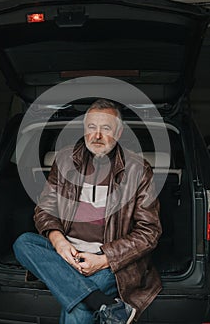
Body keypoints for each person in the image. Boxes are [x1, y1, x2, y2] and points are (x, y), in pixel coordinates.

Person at [13, 98, 162, 324]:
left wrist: (103, 260)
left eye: (106, 128)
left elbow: (149, 232)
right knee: (24, 243)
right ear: (84, 129)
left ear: (119, 132)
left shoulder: (138, 169)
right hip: (66, 252)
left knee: (79, 308)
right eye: (91, 127)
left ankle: (92, 299)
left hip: (111, 260)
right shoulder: (64, 160)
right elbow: (45, 210)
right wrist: (59, 242)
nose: (97, 135)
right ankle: (107, 304)